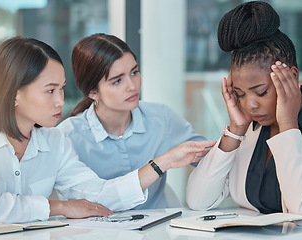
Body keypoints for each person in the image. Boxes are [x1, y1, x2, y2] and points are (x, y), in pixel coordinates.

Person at [0, 36, 215, 223]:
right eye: (50, 91)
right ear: (15, 93)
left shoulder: (55, 141)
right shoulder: (66, 134)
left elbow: (98, 196)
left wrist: (162, 162)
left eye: (62, 89)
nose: (60, 101)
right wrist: (60, 207)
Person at [186, 1, 302, 233]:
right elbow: (198, 200)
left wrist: (288, 125)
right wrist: (235, 130)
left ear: (291, 76)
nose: (250, 105)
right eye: (239, 94)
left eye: (261, 92)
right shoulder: (250, 130)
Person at [57, 33, 208, 209]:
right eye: (117, 81)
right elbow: (93, 201)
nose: (132, 86)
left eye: (134, 72)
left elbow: (211, 160)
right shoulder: (68, 136)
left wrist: (234, 133)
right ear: (93, 92)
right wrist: (162, 162)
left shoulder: (161, 117)